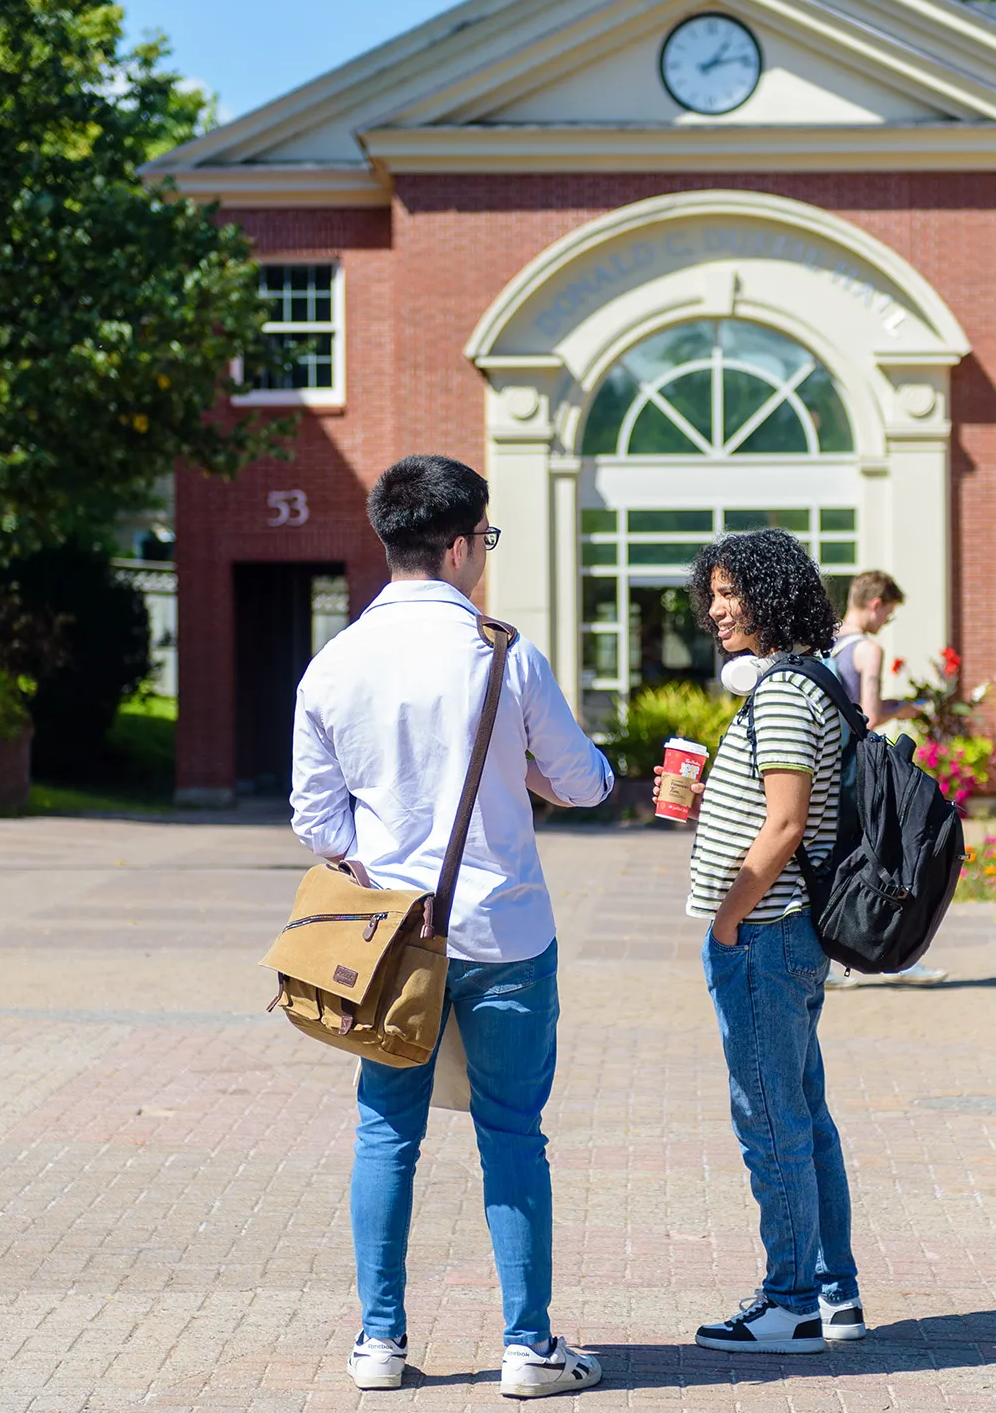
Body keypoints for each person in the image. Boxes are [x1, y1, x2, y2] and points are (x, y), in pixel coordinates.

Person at [290, 454, 614, 1395]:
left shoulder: (335, 662)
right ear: (465, 542)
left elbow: (318, 824)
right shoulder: (504, 653)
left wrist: (382, 853)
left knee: (385, 1134)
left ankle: (379, 1342)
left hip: (389, 940)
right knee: (513, 1131)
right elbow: (586, 781)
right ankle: (527, 1346)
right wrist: (539, 778)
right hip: (505, 933)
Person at [658, 528, 863, 1353]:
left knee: (771, 1118)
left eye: (728, 593)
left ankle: (789, 1303)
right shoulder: (812, 683)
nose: (714, 610)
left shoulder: (780, 691)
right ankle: (832, 1291)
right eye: (709, 595)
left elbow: (782, 826)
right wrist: (707, 797)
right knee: (804, 1115)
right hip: (785, 932)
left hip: (764, 933)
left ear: (770, 594)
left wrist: (726, 916)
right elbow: (782, 808)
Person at [828, 569, 945, 989]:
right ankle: (897, 953)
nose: (886, 624)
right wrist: (907, 707)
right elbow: (871, 714)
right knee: (889, 857)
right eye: (888, 615)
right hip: (863, 770)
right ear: (875, 604)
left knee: (838, 860)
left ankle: (829, 962)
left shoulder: (828, 642)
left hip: (830, 767)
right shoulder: (868, 650)